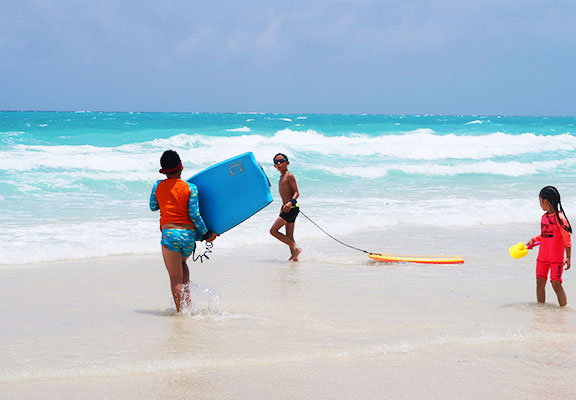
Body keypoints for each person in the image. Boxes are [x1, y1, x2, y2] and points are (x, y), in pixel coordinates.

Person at [150, 150, 217, 312]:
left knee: (175, 278)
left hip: (170, 235)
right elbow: (195, 215)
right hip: (188, 237)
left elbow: (153, 207)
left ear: (163, 170)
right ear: (181, 167)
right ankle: (188, 305)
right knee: (183, 265)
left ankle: (182, 313)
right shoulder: (191, 188)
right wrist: (207, 234)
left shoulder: (158, 186)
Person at [527, 186, 572, 307]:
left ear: (545, 201)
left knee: (556, 284)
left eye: (540, 201)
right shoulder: (544, 218)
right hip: (542, 258)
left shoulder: (560, 219)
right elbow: (545, 234)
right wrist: (533, 240)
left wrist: (568, 257)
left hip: (556, 259)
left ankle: (563, 310)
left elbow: (566, 238)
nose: (540, 204)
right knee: (540, 283)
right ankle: (541, 311)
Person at [270, 153, 301, 261]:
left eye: (281, 161)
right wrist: (283, 205)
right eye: (276, 162)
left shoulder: (289, 176)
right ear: (274, 166)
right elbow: (285, 195)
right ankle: (294, 257)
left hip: (291, 208)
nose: (278, 163)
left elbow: (296, 193)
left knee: (273, 231)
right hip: (288, 208)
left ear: (287, 163)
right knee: (289, 235)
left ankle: (295, 248)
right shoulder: (281, 177)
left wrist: (289, 203)